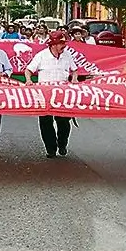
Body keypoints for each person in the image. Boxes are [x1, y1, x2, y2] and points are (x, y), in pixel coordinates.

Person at [24, 30, 78, 158]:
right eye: (61, 44)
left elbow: (74, 70)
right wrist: (28, 80)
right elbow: (28, 70)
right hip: (44, 94)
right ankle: (51, 149)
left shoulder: (67, 55)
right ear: (53, 44)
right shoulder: (41, 56)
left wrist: (74, 78)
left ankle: (62, 144)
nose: (64, 46)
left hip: (62, 94)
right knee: (45, 122)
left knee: (64, 122)